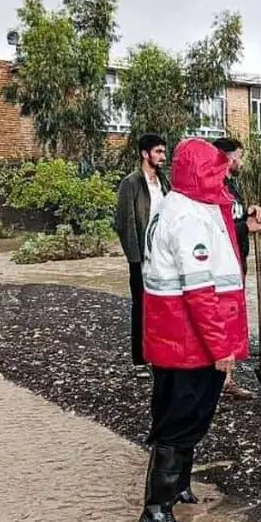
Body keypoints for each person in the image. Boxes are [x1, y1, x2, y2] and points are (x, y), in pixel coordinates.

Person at [137, 138, 249, 522]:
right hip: (189, 342)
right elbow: (200, 294)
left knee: (182, 413)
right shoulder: (189, 218)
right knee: (183, 417)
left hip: (175, 339)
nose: (223, 177)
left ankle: (179, 487)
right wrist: (221, 348)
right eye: (217, 171)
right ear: (202, 173)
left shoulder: (179, 205)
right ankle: (157, 508)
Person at [211, 137, 261, 399]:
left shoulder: (231, 186)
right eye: (239, 156)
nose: (241, 161)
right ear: (228, 158)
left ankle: (227, 379)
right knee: (221, 318)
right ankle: (218, 378)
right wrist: (247, 227)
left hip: (237, 261)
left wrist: (249, 212)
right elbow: (217, 230)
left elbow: (234, 217)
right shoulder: (213, 188)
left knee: (233, 318)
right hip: (221, 266)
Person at [114, 133, 169, 366]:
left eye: (164, 152)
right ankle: (140, 357)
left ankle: (160, 351)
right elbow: (124, 223)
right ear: (145, 154)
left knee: (163, 304)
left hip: (163, 255)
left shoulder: (165, 182)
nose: (163, 156)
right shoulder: (131, 183)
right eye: (158, 152)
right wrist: (135, 259)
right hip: (141, 257)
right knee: (141, 305)